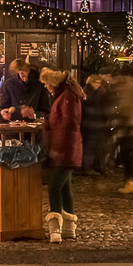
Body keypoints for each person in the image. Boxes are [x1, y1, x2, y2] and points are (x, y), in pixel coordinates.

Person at [40, 67, 83, 242]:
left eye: (45, 83)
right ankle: (69, 229)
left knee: (54, 186)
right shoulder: (65, 94)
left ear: (52, 82)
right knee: (65, 187)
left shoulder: (66, 96)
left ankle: (55, 229)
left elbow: (67, 124)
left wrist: (58, 148)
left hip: (66, 148)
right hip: (67, 148)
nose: (45, 87)